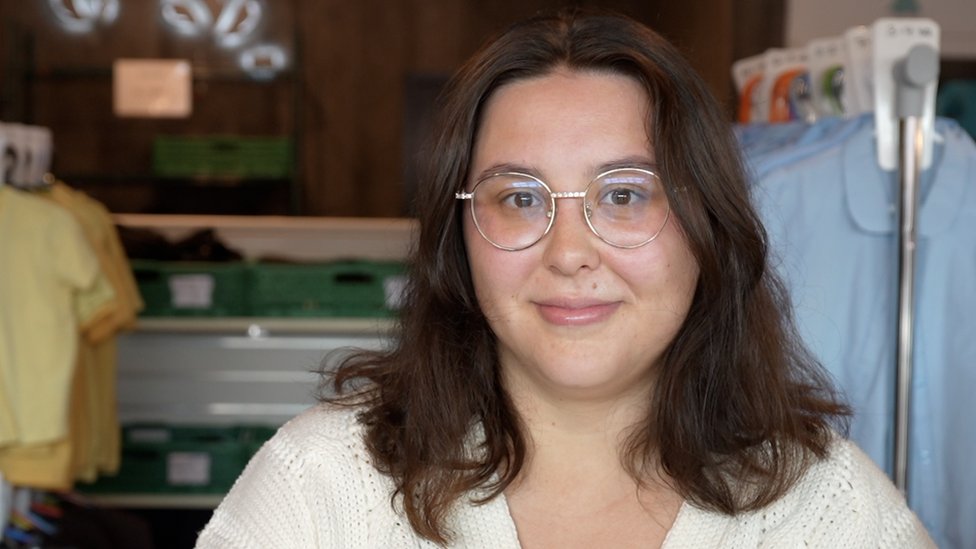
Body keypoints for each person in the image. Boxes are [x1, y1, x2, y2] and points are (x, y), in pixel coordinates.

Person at [195, 9, 935, 549]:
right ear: (461, 238)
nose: (570, 251)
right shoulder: (319, 486)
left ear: (706, 224)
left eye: (624, 194)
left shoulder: (831, 513)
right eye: (519, 198)